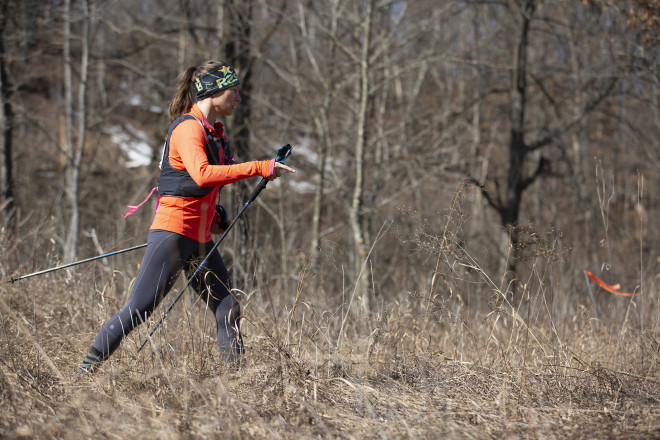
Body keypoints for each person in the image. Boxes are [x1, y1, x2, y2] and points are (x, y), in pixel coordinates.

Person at [77, 60, 295, 373]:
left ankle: (238, 383)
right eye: (233, 90)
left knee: (227, 307)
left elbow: (196, 184)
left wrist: (215, 215)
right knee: (139, 309)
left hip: (200, 237)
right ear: (213, 90)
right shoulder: (188, 127)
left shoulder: (213, 133)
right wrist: (260, 167)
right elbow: (203, 174)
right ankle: (85, 372)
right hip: (175, 233)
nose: (238, 97)